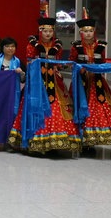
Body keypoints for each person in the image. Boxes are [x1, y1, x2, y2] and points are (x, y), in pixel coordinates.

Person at [8, 13, 81, 154]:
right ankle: (35, 140)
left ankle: (56, 141)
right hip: (37, 82)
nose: (48, 34)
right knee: (36, 107)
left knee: (57, 108)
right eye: (45, 31)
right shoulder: (32, 45)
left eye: (50, 31)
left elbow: (57, 63)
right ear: (40, 31)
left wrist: (59, 67)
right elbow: (29, 63)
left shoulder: (57, 46)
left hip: (54, 82)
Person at [69, 9, 111, 149]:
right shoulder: (76, 46)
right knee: (78, 106)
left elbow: (103, 62)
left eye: (91, 31)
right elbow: (71, 63)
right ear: (81, 32)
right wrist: (79, 68)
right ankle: (79, 136)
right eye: (85, 31)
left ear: (94, 31)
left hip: (97, 82)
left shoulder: (100, 46)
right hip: (81, 82)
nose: (88, 34)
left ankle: (94, 138)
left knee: (99, 106)